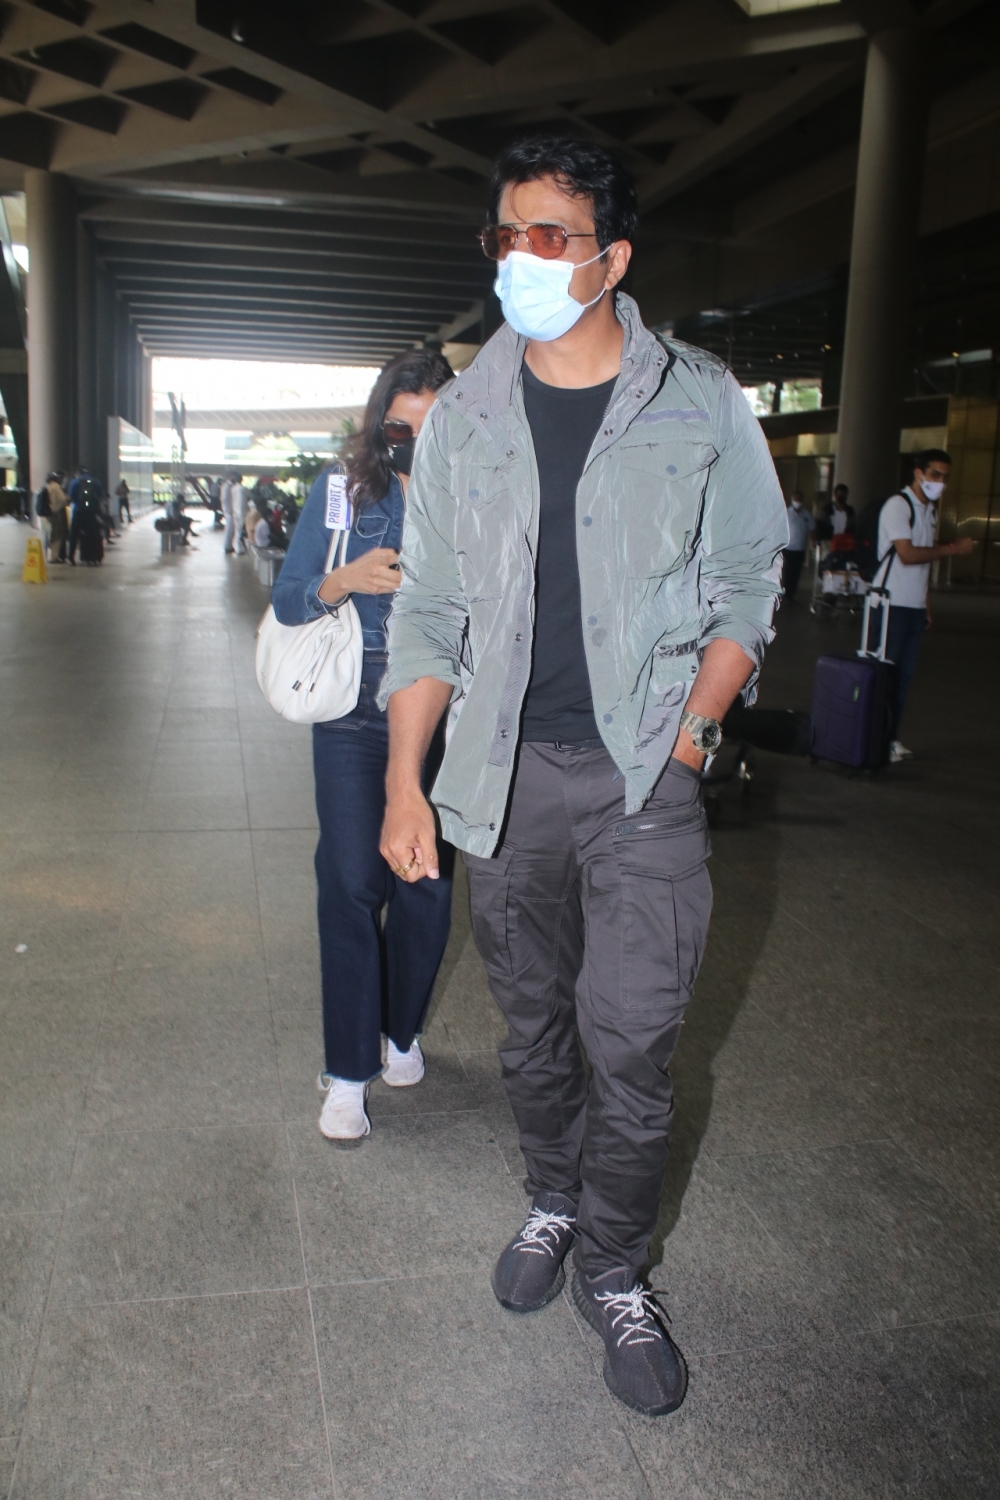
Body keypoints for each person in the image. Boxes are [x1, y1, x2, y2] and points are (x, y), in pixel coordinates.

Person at [379, 136, 787, 1418]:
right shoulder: (464, 418)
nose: (520, 258)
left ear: (610, 258)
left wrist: (694, 731)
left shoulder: (700, 400)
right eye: (504, 235)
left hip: (642, 779)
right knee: (535, 1032)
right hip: (500, 784)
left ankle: (613, 1265)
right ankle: (551, 1199)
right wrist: (405, 786)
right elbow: (429, 609)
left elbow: (748, 579)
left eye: (548, 237)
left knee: (636, 1039)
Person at [272, 349, 456, 1143]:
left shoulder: (478, 497)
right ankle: (348, 1071)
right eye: (401, 428)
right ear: (381, 426)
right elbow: (288, 597)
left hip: (446, 709)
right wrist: (343, 580)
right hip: (353, 706)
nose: (415, 442)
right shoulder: (343, 491)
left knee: (426, 886)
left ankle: (399, 1030)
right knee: (350, 881)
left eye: (433, 426)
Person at [870, 449, 973, 763]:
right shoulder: (898, 506)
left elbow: (923, 564)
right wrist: (953, 549)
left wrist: (925, 603)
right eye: (935, 475)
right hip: (890, 603)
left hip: (912, 606)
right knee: (883, 676)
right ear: (919, 474)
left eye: (945, 477)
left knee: (902, 679)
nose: (940, 482)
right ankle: (871, 740)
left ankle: (889, 739)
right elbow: (908, 555)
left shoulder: (929, 511)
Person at [781, 491, 815, 601]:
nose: (797, 502)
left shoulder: (807, 515)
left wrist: (813, 541)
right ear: (792, 500)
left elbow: (812, 529)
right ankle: (787, 591)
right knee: (788, 570)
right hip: (788, 547)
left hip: (800, 548)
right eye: (795, 499)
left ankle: (792, 591)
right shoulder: (786, 513)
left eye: (799, 499)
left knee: (796, 571)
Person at [45, 472, 70, 562]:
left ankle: (48, 555)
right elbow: (63, 499)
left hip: (48, 514)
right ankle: (54, 557)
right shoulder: (56, 487)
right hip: (55, 514)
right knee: (57, 536)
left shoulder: (48, 487)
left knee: (49, 535)